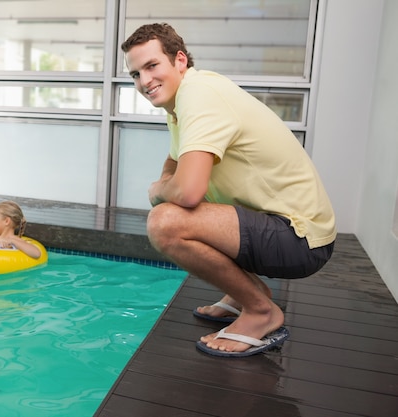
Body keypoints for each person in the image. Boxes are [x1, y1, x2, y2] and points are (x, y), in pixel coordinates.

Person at [121, 23, 336, 357]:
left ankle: (261, 312)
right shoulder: (179, 103)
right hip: (275, 225)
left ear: (179, 60)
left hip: (300, 238)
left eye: (152, 66)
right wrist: (168, 184)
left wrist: (159, 191)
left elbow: (189, 190)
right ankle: (244, 294)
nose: (144, 81)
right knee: (181, 204)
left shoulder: (200, 94)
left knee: (165, 221)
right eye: (135, 74)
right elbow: (173, 160)